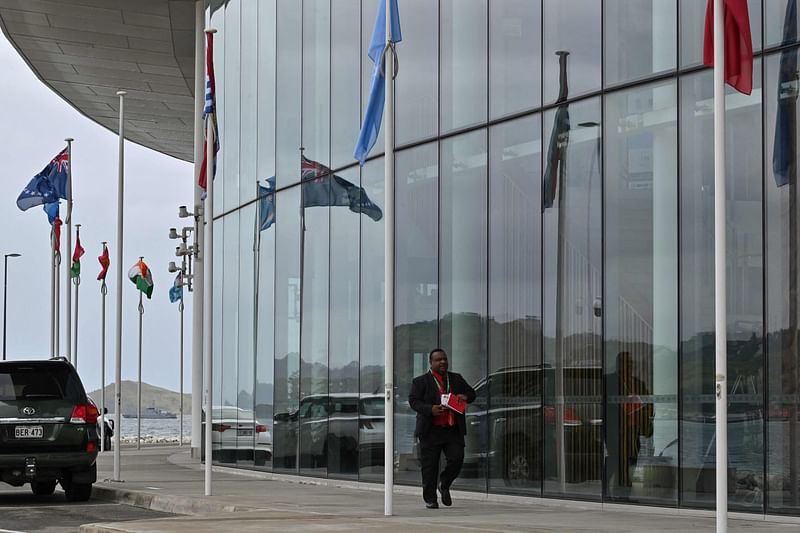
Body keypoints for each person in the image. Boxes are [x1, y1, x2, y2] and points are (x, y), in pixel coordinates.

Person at [408, 348, 476, 509]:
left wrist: (464, 396)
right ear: (431, 363)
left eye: (445, 359)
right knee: (429, 467)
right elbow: (413, 401)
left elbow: (471, 393)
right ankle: (430, 499)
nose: (443, 362)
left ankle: (444, 484)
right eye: (439, 360)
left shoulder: (456, 379)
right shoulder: (420, 381)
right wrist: (430, 409)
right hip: (430, 430)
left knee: (457, 459)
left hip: (452, 429)